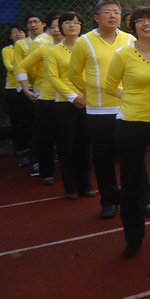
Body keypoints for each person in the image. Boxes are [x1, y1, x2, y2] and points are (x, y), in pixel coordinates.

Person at [69, 0, 150, 220]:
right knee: (103, 159)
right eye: (107, 12)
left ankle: (144, 201)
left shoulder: (129, 39)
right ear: (96, 17)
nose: (113, 16)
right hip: (99, 111)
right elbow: (74, 74)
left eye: (117, 12)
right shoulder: (84, 42)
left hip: (128, 110)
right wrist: (90, 92)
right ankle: (109, 201)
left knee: (135, 160)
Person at [105, 6, 150, 259]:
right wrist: (131, 97)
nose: (147, 23)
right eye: (140, 20)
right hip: (131, 123)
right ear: (132, 26)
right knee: (131, 183)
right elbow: (110, 86)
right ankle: (134, 237)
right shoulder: (123, 54)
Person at [46, 12, 92, 200]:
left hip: (89, 101)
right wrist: (73, 97)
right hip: (65, 103)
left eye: (76, 22)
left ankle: (86, 184)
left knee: (85, 144)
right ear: (60, 27)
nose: (72, 25)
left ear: (81, 26)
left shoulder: (88, 47)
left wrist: (87, 95)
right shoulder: (54, 51)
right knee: (67, 145)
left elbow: (95, 72)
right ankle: (71, 187)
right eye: (67, 22)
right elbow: (53, 78)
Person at [17, 11, 63, 183]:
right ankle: (41, 166)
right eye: (53, 26)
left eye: (60, 26)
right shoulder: (41, 45)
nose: (57, 29)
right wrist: (28, 88)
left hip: (69, 97)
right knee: (45, 133)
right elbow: (24, 67)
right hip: (46, 96)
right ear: (48, 27)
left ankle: (71, 172)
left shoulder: (78, 45)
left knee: (68, 135)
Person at [14, 12, 52, 169]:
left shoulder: (53, 41)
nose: (33, 25)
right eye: (30, 22)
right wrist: (27, 85)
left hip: (54, 90)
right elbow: (21, 66)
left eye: (36, 21)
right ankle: (34, 158)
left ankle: (46, 156)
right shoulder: (23, 44)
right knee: (35, 124)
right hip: (34, 88)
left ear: (43, 24)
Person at [3, 25, 27, 159]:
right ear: (10, 37)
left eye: (21, 32)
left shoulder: (30, 47)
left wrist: (18, 65)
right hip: (13, 88)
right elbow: (9, 66)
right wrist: (25, 66)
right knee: (16, 118)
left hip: (29, 87)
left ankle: (30, 147)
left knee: (29, 119)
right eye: (15, 33)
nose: (18, 34)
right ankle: (19, 147)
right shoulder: (7, 50)